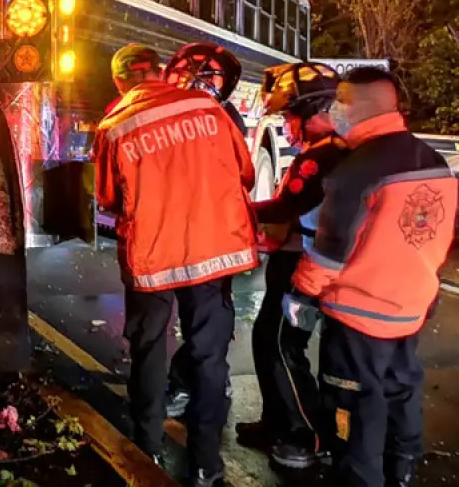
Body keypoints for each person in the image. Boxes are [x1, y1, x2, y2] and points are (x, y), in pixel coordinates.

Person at [95, 43, 258, 487]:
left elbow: (108, 200)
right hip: (213, 251)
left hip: (152, 259)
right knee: (209, 359)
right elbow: (246, 173)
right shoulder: (208, 108)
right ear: (162, 72)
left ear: (119, 80)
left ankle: (145, 447)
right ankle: (207, 464)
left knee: (149, 351)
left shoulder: (114, 126)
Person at [284, 66, 457, 487]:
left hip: (358, 316)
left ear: (362, 106)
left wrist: (301, 295)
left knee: (354, 413)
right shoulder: (432, 160)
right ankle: (402, 473)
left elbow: (330, 252)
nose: (335, 108)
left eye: (341, 100)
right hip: (410, 309)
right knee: (402, 395)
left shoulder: (356, 169)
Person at [232, 62, 348, 469]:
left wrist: (239, 207)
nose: (286, 125)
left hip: (306, 268)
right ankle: (277, 420)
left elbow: (289, 204)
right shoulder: (320, 152)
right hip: (293, 260)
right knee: (267, 341)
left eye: (290, 115)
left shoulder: (326, 155)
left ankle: (309, 435)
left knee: (284, 345)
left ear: (312, 110)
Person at [161, 43, 247, 419]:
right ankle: (204, 384)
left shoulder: (224, 121)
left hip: (207, 241)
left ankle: (197, 387)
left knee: (206, 324)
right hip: (187, 239)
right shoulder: (172, 115)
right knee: (199, 321)